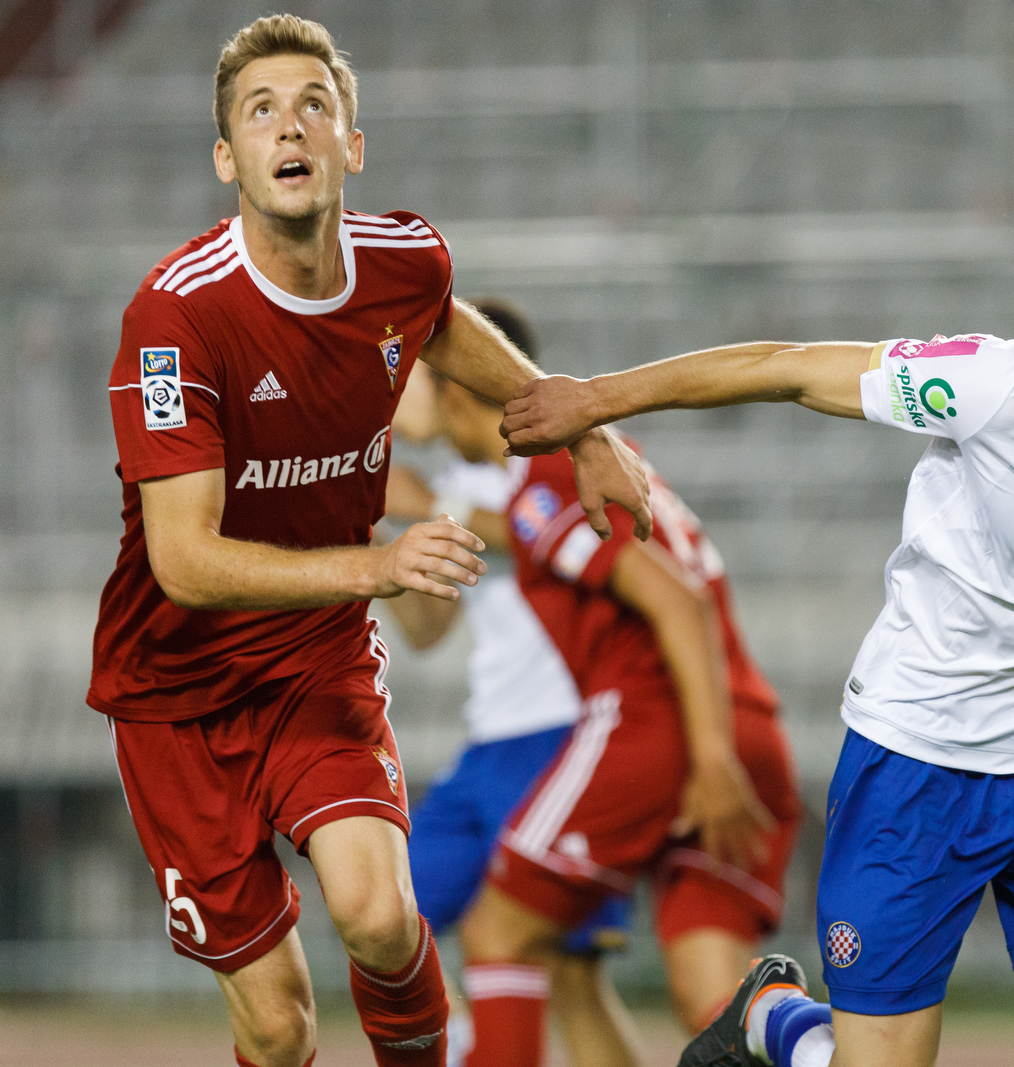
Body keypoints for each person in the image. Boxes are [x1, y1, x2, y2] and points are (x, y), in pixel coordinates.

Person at [501, 168, 1014, 1067]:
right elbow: (789, 370)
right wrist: (594, 401)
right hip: (918, 754)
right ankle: (776, 1018)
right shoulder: (1008, 383)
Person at [88, 17, 649, 1067]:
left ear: (352, 142)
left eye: (314, 104)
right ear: (228, 159)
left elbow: (443, 320)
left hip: (313, 663)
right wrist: (378, 565)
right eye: (260, 111)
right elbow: (184, 561)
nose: (289, 125)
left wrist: (588, 427)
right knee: (278, 1021)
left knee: (382, 915)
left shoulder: (405, 260)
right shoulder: (175, 320)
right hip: (174, 700)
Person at [454, 411, 804, 1067]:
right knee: (714, 991)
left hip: (662, 721)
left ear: (456, 388)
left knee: (499, 931)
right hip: (744, 715)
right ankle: (815, 1046)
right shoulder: (607, 462)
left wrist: (710, 755)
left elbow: (677, 600)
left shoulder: (548, 478)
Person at [383, 303, 642, 1067]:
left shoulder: (564, 459)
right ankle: (468, 1040)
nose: (397, 395)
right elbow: (429, 632)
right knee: (390, 917)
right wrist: (371, 543)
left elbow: (554, 526)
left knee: (571, 977)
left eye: (415, 378)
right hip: (489, 743)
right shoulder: (460, 480)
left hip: (567, 736)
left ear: (462, 380)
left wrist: (427, 509)